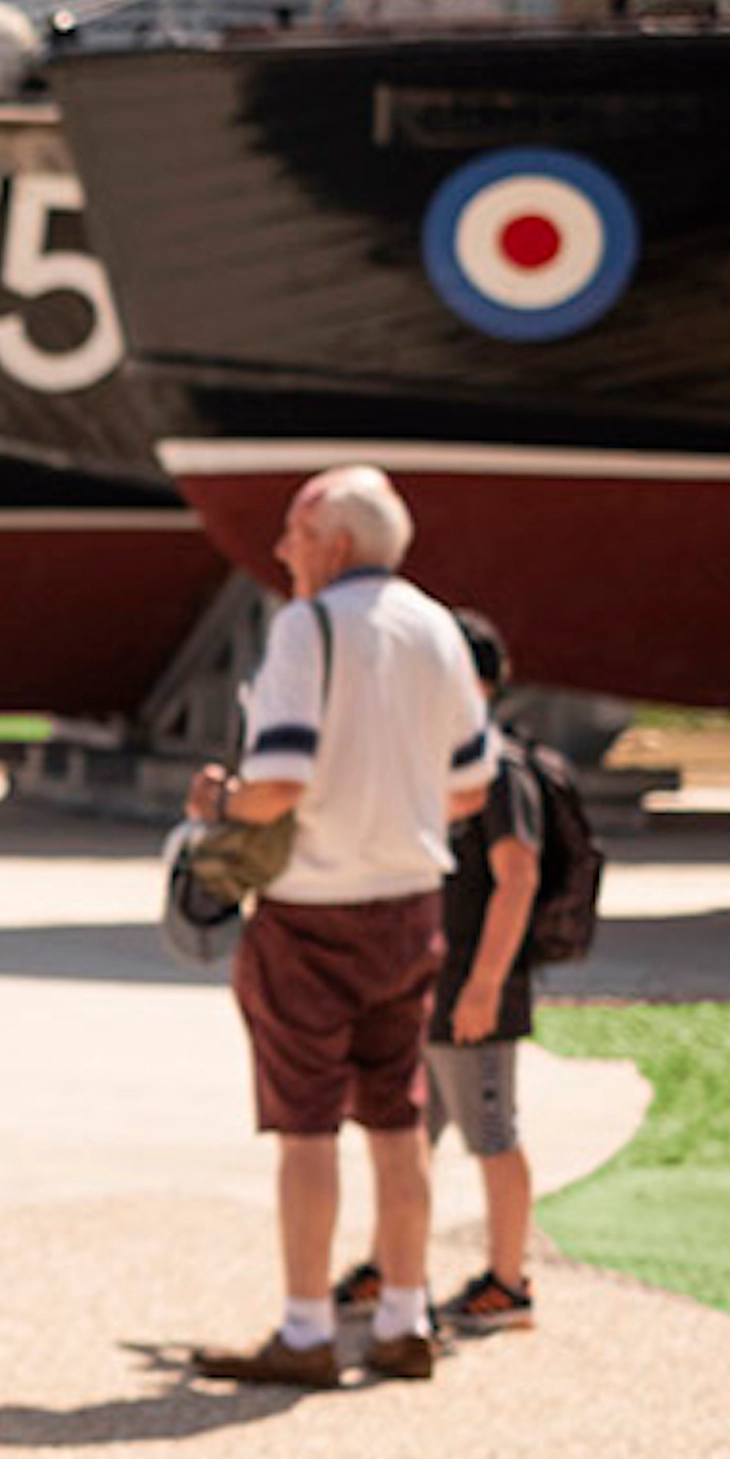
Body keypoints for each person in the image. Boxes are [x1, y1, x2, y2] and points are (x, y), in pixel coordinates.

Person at [188, 465, 493, 1388]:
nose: (282, 551)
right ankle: (405, 1314)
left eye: (292, 530)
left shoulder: (306, 628)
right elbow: (473, 784)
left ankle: (307, 1327)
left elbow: (280, 779)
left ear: (332, 538)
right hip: (410, 903)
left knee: (307, 1125)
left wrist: (224, 801)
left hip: (312, 908)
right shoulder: (437, 626)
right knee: (397, 1118)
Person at [334, 609, 544, 1333]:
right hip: (425, 986)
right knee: (409, 1134)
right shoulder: (437, 761)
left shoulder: (500, 769)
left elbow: (517, 877)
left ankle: (508, 1280)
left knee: (492, 1130)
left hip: (474, 991)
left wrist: (485, 984)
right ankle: (392, 1263)